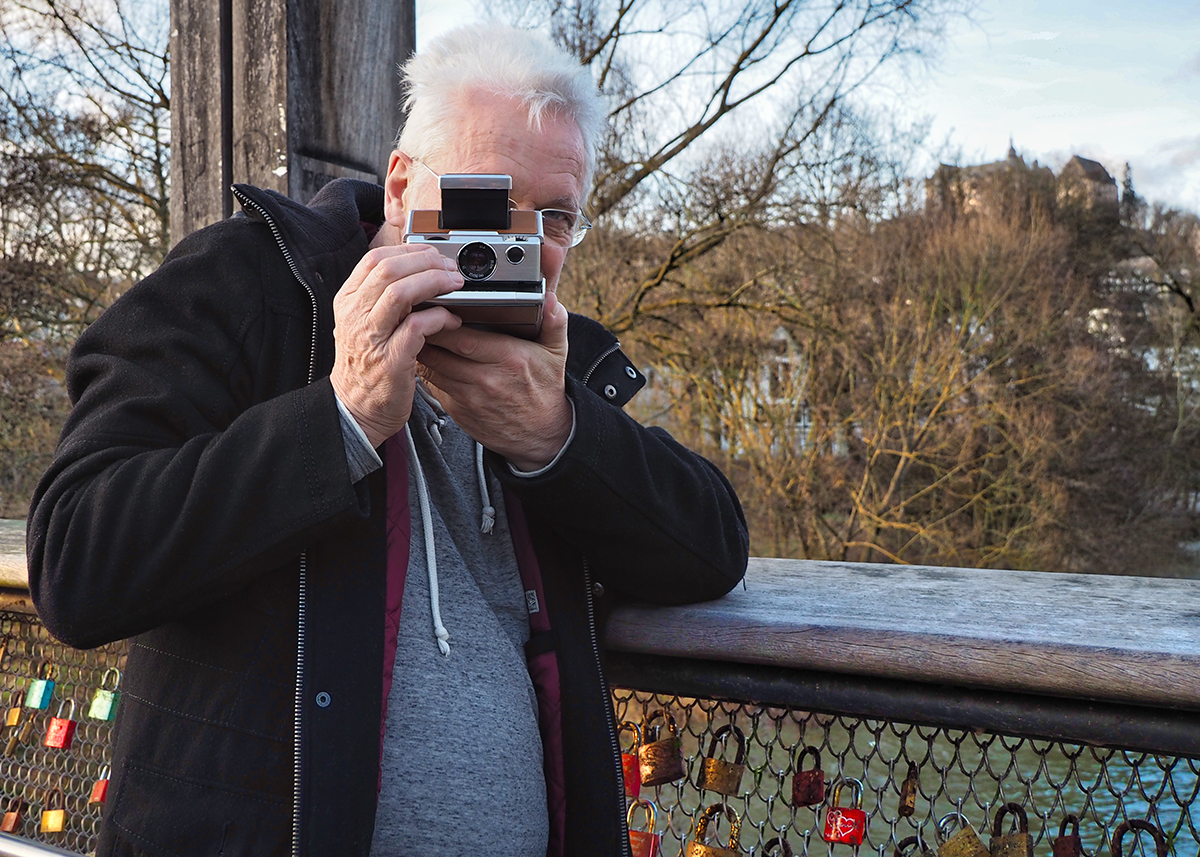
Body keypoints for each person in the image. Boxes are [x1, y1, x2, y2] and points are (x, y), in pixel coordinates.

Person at [26, 23, 748, 857]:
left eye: (555, 216)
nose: (523, 245)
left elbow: (711, 546)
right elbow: (76, 557)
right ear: (402, 185)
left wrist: (556, 435)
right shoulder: (249, 288)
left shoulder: (557, 362)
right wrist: (340, 420)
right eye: (489, 202)